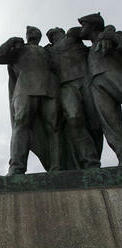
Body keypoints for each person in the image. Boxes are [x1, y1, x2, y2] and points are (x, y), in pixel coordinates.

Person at [0, 26, 60, 174]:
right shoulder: (18, 49)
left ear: (39, 36)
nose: (32, 34)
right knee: (21, 123)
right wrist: (11, 41)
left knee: (54, 127)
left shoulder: (47, 51)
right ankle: (17, 166)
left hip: (49, 90)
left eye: (35, 32)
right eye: (30, 32)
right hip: (25, 89)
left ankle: (56, 166)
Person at [46, 27, 101, 169]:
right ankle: (90, 161)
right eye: (51, 35)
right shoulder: (48, 51)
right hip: (66, 87)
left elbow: (93, 30)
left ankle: (95, 158)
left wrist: (108, 32)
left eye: (55, 31)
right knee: (74, 118)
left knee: (95, 122)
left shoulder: (72, 36)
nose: (53, 34)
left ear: (62, 31)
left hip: (87, 81)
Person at [79, 13, 122, 166]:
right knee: (110, 123)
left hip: (113, 74)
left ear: (93, 25)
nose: (81, 29)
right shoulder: (87, 49)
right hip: (95, 84)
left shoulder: (111, 35)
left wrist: (110, 36)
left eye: (84, 25)